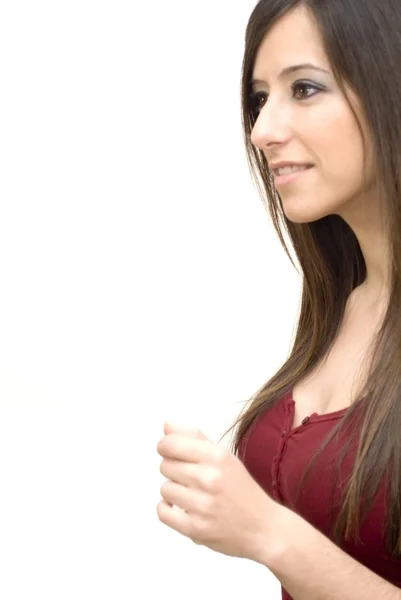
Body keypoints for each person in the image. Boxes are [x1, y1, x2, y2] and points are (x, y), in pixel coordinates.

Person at [156, 1, 401, 598]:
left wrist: (269, 533)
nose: (262, 129)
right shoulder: (347, 303)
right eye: (261, 97)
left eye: (306, 88)